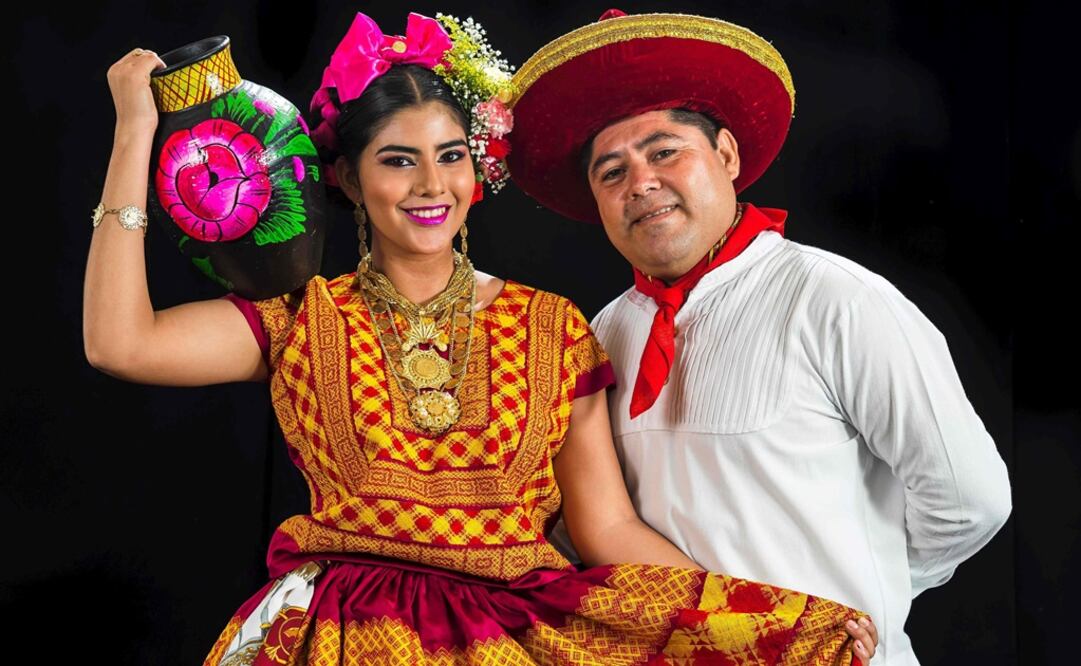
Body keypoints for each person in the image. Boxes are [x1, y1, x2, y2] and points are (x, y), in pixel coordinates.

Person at [84, 11, 879, 665]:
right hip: (331, 640)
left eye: (450, 157)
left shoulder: (555, 329)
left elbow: (607, 531)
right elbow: (119, 343)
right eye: (399, 161)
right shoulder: (301, 318)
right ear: (348, 180)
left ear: (476, 171)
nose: (432, 186)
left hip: (513, 640)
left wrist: (769, 622)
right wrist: (133, 134)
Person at [507, 9, 1013, 665]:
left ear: (724, 155)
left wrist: (857, 599)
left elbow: (970, 500)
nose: (641, 183)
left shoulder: (833, 299)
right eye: (611, 172)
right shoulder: (601, 335)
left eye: (664, 152)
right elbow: (599, 530)